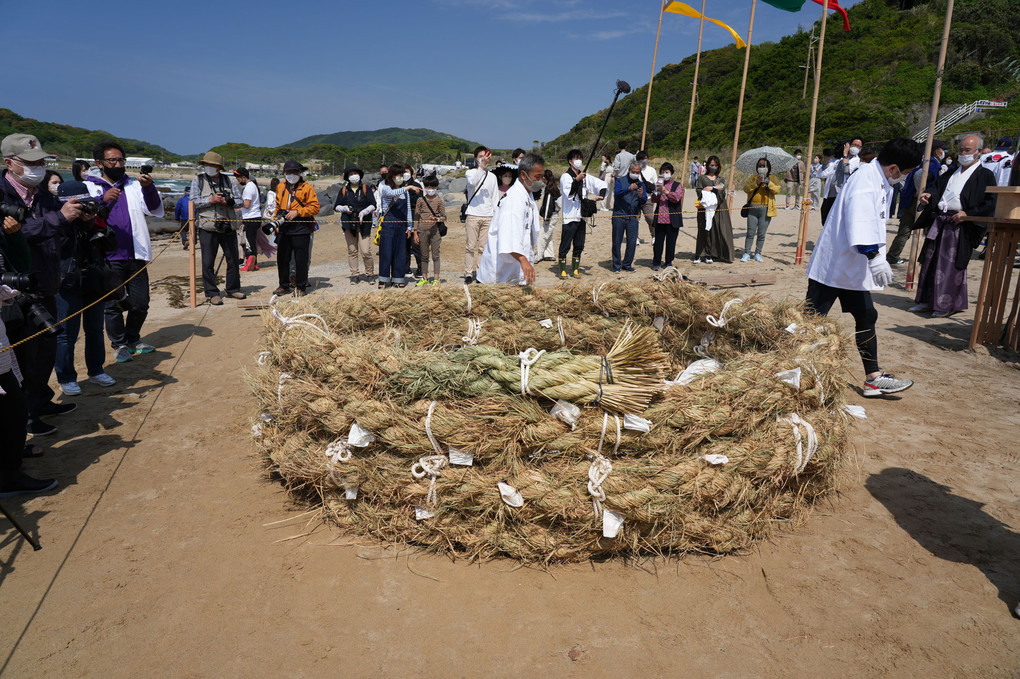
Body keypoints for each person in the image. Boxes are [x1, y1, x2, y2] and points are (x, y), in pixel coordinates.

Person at [805, 137, 922, 397]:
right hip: (834, 266)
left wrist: (873, 256)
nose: (904, 177)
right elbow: (859, 220)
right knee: (810, 321)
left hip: (855, 267)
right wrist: (875, 256)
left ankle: (873, 378)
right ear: (893, 168)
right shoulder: (864, 180)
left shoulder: (880, 181)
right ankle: (785, 366)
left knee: (867, 315)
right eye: (905, 172)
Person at [1, 133, 82, 437]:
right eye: (31, 163)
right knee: (23, 358)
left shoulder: (43, 193)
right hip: (14, 292)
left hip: (47, 283)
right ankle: (26, 419)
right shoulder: (2, 193)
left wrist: (76, 217)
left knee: (45, 350)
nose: (39, 168)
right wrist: (59, 219)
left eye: (42, 162)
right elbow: (13, 234)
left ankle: (40, 402)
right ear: (10, 163)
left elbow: (49, 226)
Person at [85, 141, 165, 364]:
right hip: (107, 256)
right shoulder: (90, 187)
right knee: (113, 305)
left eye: (121, 160)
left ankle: (133, 339)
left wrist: (149, 187)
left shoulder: (132, 185)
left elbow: (154, 209)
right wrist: (103, 199)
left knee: (141, 302)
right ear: (100, 163)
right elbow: (85, 215)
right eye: (112, 160)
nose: (118, 164)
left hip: (135, 253)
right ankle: (119, 344)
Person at [912, 134, 996, 317]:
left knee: (950, 267)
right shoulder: (952, 171)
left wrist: (968, 214)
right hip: (941, 220)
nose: (963, 154)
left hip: (960, 225)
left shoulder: (985, 175)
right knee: (931, 262)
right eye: (961, 150)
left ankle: (946, 305)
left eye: (967, 150)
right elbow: (937, 187)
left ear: (979, 152)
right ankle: (927, 301)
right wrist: (929, 195)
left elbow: (990, 203)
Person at [53, 180, 118, 395]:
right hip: (67, 282)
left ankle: (96, 369)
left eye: (86, 204)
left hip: (93, 279)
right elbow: (57, 248)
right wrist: (67, 221)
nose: (83, 209)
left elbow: (109, 244)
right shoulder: (55, 222)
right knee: (65, 334)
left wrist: (90, 222)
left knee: (95, 330)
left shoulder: (92, 218)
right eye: (78, 205)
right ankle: (66, 377)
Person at [0, 284, 58, 496]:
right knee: (13, 416)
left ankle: (10, 469)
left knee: (15, 414)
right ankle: (9, 480)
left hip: (3, 356)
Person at [476, 153, 544, 285]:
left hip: (513, 269)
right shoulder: (514, 200)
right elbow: (508, 235)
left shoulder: (526, 196)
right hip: (497, 276)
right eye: (537, 177)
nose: (540, 181)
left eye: (542, 177)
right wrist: (523, 260)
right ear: (524, 175)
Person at [189, 151, 245, 305]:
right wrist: (211, 200)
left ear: (219, 167)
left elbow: (240, 202)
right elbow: (193, 201)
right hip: (207, 226)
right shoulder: (198, 180)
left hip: (227, 225)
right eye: (207, 164)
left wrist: (229, 201)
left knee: (233, 259)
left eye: (212, 165)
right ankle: (212, 293)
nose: (209, 167)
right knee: (208, 262)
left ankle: (233, 289)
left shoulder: (229, 181)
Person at [887, 140, 945, 266]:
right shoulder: (931, 162)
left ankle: (892, 255)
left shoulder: (919, 160)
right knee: (930, 233)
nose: (943, 153)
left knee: (904, 232)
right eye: (942, 150)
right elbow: (920, 175)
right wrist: (921, 192)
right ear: (936, 151)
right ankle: (927, 258)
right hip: (921, 202)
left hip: (908, 200)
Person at [271, 160, 320, 297]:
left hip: (301, 226)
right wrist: (275, 222)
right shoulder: (280, 187)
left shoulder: (307, 188)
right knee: (282, 258)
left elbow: (315, 207)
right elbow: (277, 206)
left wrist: (298, 212)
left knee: (301, 259)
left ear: (300, 173)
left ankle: (300, 286)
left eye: (295, 172)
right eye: (289, 172)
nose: (292, 175)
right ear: (284, 173)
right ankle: (283, 285)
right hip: (283, 227)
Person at [558, 149, 607, 278]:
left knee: (579, 243)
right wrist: (577, 180)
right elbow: (568, 194)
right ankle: (562, 269)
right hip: (569, 216)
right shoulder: (565, 177)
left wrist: (600, 195)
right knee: (565, 244)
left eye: (580, 158)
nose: (578, 160)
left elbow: (601, 184)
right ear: (570, 161)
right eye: (575, 158)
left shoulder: (585, 176)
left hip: (582, 216)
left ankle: (575, 269)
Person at [376, 163, 420, 289]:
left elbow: (407, 210)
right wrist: (408, 187)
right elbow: (391, 194)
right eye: (397, 175)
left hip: (401, 225)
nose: (400, 177)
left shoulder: (405, 192)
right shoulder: (386, 188)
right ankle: (383, 279)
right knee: (386, 252)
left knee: (400, 253)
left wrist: (409, 226)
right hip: (388, 225)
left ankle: (398, 278)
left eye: (401, 175)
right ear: (391, 176)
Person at [333, 166, 376, 285]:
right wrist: (345, 209)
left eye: (355, 173)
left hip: (364, 224)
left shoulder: (366, 188)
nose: (353, 176)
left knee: (366, 250)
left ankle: (370, 274)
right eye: (350, 174)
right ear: (347, 177)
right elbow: (336, 206)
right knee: (352, 250)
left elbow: (373, 205)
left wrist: (364, 212)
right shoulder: (343, 190)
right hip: (348, 224)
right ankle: (354, 275)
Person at [463, 146, 498, 284]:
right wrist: (482, 167)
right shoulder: (470, 172)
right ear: (476, 158)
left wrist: (496, 216)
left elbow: (495, 198)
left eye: (485, 156)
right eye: (480, 156)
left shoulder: (493, 176)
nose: (483, 158)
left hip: (488, 216)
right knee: (470, 246)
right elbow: (472, 182)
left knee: (483, 248)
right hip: (473, 214)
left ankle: (480, 273)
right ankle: (468, 273)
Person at [693, 155, 735, 264]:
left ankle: (710, 254)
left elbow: (722, 193)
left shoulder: (720, 179)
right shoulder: (702, 178)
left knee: (714, 231)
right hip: (705, 207)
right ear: (708, 165)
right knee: (703, 230)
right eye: (712, 165)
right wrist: (712, 190)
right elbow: (699, 191)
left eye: (716, 165)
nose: (714, 167)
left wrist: (711, 189)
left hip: (718, 207)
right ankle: (699, 254)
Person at [741, 158, 780, 262]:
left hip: (766, 209)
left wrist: (769, 183)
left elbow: (777, 190)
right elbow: (746, 189)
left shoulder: (772, 177)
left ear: (769, 167)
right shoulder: (753, 177)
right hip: (753, 208)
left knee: (761, 233)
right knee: (750, 232)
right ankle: (747, 253)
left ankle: (758, 253)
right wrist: (756, 183)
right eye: (760, 165)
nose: (762, 168)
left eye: (764, 165)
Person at [611, 161, 646, 273]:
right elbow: (616, 193)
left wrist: (641, 196)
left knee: (632, 242)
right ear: (629, 170)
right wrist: (628, 188)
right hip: (619, 215)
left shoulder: (641, 184)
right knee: (617, 241)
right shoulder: (620, 180)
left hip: (633, 216)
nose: (635, 174)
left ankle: (627, 264)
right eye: (633, 172)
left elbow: (644, 200)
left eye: (637, 172)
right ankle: (616, 265)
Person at [821, 136, 863, 224]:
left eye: (858, 146)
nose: (855, 147)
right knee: (824, 218)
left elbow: (846, 170)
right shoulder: (838, 160)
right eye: (854, 144)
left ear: (861, 148)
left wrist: (845, 154)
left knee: (834, 221)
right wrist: (827, 158)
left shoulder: (856, 161)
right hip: (829, 194)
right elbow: (824, 172)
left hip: (840, 194)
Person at [412, 174, 445, 285]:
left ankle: (436, 278)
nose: (430, 190)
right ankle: (424, 277)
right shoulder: (420, 200)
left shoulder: (439, 201)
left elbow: (444, 216)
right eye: (428, 187)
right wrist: (415, 232)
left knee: (436, 255)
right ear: (425, 187)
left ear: (436, 187)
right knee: (424, 255)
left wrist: (438, 218)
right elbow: (416, 216)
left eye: (433, 187)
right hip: (422, 230)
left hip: (435, 231)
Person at [650, 162, 683, 270]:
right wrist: (657, 191)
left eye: (667, 172)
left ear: (671, 173)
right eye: (663, 172)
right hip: (660, 218)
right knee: (658, 242)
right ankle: (656, 262)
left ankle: (669, 261)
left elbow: (677, 198)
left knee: (671, 242)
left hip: (672, 218)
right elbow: (654, 200)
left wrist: (666, 192)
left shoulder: (677, 185)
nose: (665, 174)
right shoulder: (659, 184)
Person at [233, 168, 262, 272]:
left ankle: (251, 264)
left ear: (244, 177)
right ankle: (253, 264)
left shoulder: (249, 188)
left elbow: (247, 204)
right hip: (253, 216)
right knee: (251, 241)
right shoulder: (252, 186)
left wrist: (234, 206)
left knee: (249, 242)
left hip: (251, 218)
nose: (237, 179)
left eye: (238, 177)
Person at [536, 168, 560, 262]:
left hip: (550, 216)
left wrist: (546, 218)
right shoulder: (553, 187)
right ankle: (550, 254)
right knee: (548, 235)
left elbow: (548, 205)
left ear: (545, 178)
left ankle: (539, 256)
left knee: (542, 236)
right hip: (553, 215)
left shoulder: (549, 188)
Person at [636, 150, 658, 236]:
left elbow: (656, 184)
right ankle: (635, 237)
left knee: (650, 218)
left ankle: (654, 235)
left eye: (646, 158)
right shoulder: (634, 169)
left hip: (648, 198)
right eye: (642, 159)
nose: (644, 160)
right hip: (636, 198)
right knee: (635, 219)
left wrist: (659, 196)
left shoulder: (652, 170)